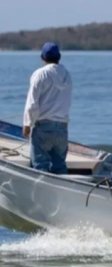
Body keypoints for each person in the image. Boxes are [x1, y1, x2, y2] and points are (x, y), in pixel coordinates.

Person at [23, 42, 72, 174]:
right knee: (60, 167)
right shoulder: (66, 74)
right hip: (62, 128)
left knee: (40, 167)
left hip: (43, 128)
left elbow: (32, 103)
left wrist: (27, 124)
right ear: (59, 56)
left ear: (42, 57)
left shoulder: (40, 74)